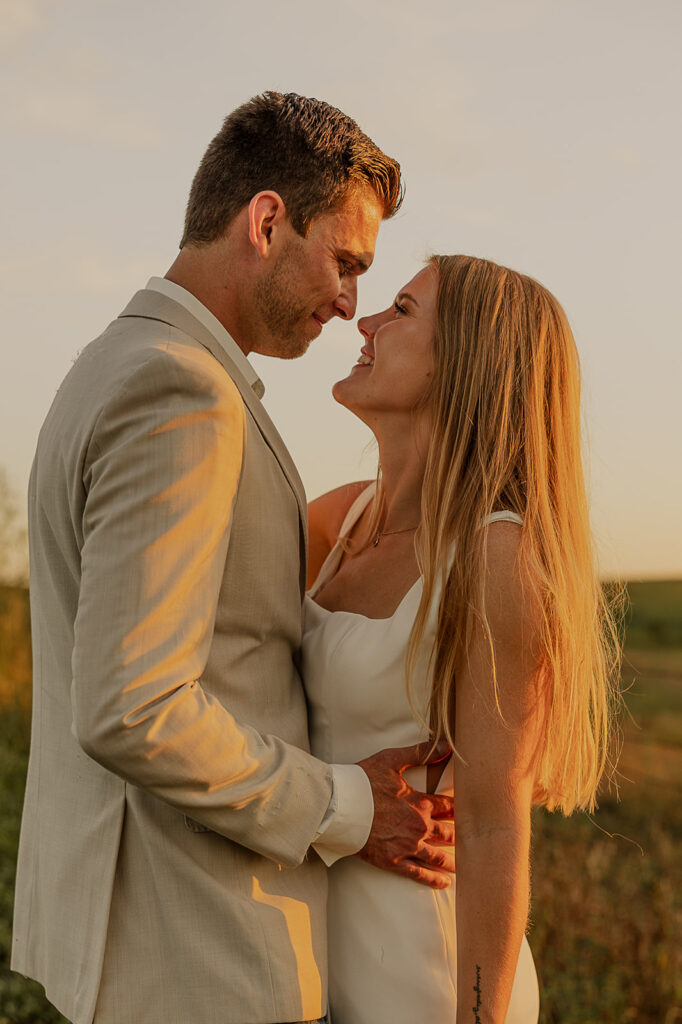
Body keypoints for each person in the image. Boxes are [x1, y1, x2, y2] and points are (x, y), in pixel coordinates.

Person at [11, 93, 456, 1024]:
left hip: (139, 946)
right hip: (198, 954)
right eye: (345, 262)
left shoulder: (111, 362)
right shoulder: (182, 391)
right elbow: (133, 704)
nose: (350, 302)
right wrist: (349, 805)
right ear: (265, 220)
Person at [304, 255, 622, 1023]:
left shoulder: (495, 557)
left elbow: (490, 822)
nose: (365, 321)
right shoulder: (333, 521)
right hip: (313, 960)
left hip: (422, 980)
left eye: (403, 311)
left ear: (468, 367)